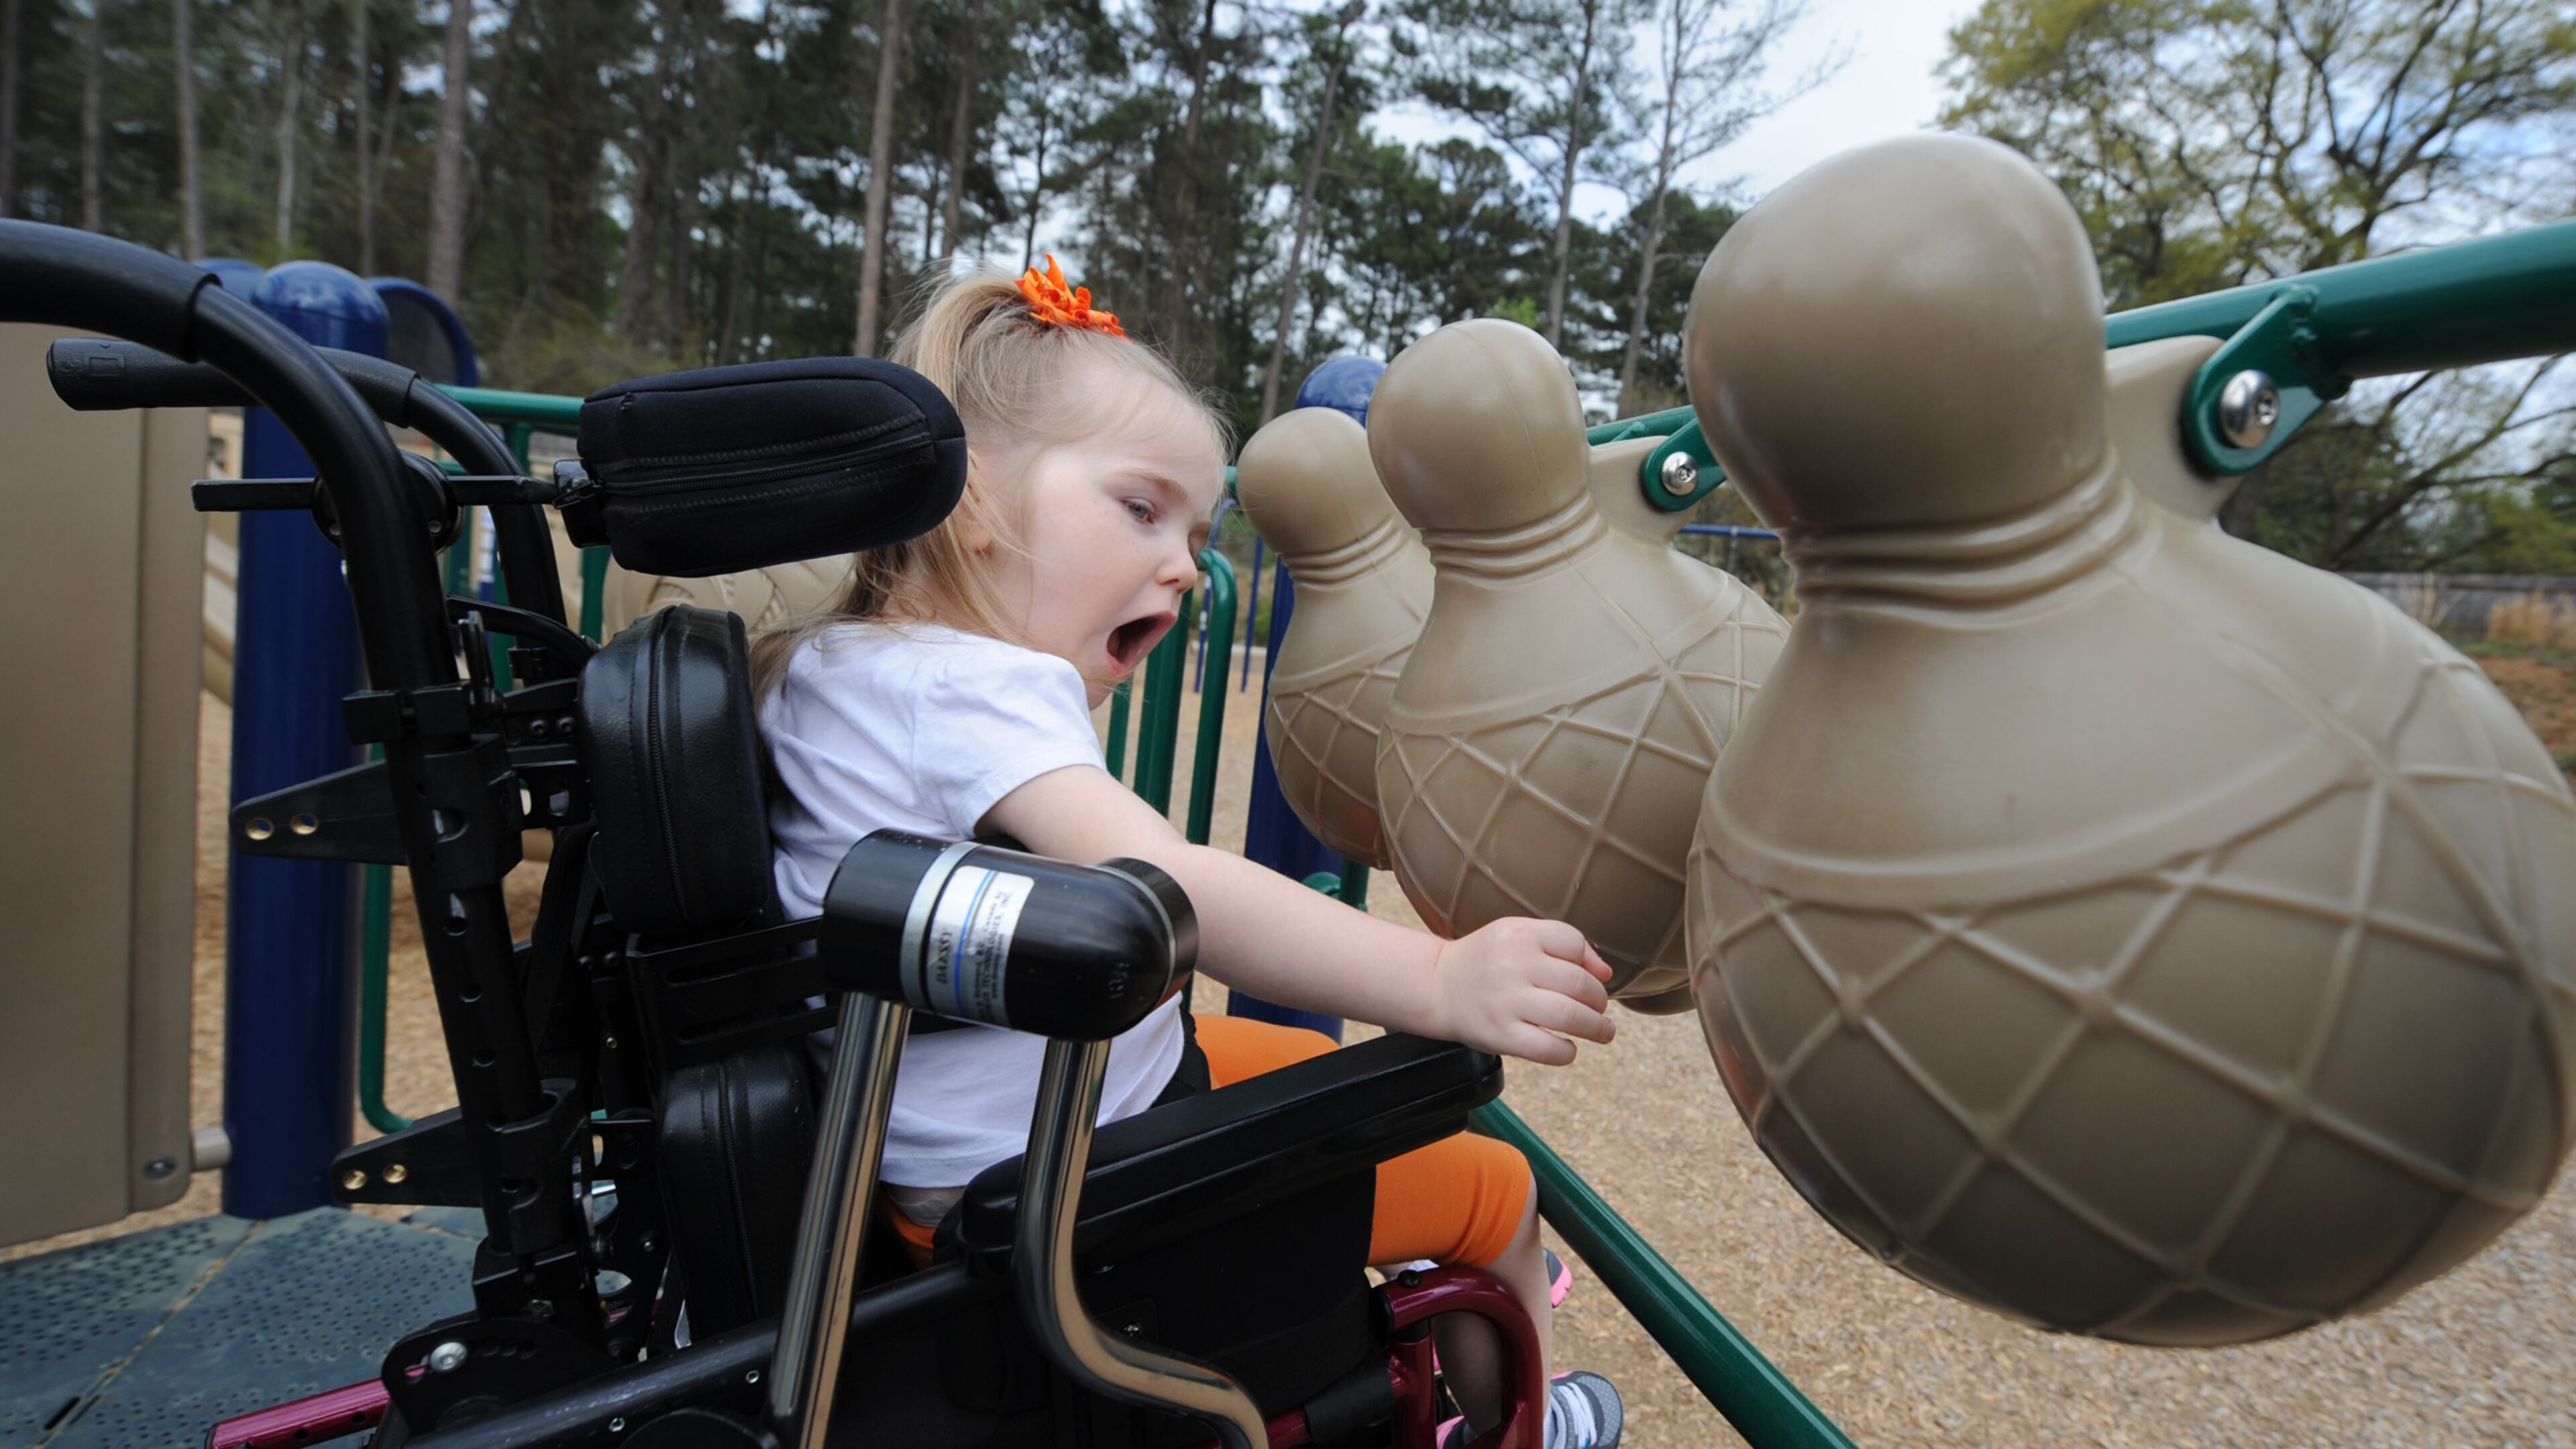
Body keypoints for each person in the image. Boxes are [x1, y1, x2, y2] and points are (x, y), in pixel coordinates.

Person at [754, 257, 1624, 1449]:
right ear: (972, 500)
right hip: (1058, 1180)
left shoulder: (832, 667)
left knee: (1300, 1071)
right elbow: (1175, 886)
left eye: (1197, 530)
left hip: (979, 1138)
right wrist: (1440, 978)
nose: (1183, 565)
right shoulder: (972, 690)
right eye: (1139, 508)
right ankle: (1521, 1427)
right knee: (1491, 1186)